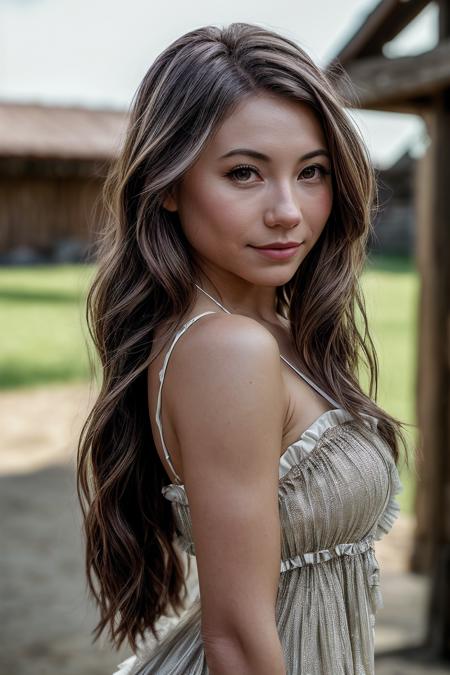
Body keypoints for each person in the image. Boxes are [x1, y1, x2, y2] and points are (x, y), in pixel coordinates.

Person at [77, 22, 408, 675]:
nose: (288, 210)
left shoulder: (276, 325)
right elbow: (235, 639)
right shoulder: (227, 349)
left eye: (311, 171)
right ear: (168, 185)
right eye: (244, 173)